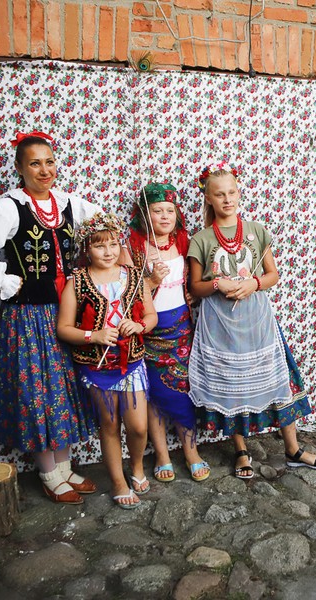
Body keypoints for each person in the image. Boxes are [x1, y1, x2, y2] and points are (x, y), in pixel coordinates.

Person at [0, 131, 101, 505]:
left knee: (63, 388)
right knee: (39, 391)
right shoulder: (9, 207)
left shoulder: (69, 205)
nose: (44, 170)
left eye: (49, 161)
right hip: (29, 317)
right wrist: (1, 279)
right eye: (34, 163)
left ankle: (64, 467)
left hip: (66, 312)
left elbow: (104, 229)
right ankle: (49, 473)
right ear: (20, 168)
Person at [186, 163, 316, 479]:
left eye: (232, 192)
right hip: (220, 324)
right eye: (219, 194)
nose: (227, 199)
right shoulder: (201, 239)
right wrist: (216, 284)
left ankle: (292, 448)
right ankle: (241, 450)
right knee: (231, 384)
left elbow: (273, 274)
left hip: (258, 320)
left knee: (278, 380)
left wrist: (254, 283)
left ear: (239, 193)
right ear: (208, 198)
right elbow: (195, 287)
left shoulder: (257, 230)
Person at [57, 213, 158, 508]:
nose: (109, 252)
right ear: (87, 249)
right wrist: (94, 336)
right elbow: (64, 329)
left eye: (114, 244)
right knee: (110, 425)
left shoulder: (134, 277)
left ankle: (137, 466)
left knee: (138, 427)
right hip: (97, 367)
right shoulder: (77, 283)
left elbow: (150, 316)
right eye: (100, 246)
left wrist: (139, 326)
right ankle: (118, 481)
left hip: (132, 363)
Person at [129, 182, 210, 483]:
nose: (164, 217)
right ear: (144, 215)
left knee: (182, 388)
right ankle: (162, 454)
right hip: (149, 330)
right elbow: (126, 297)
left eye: (169, 211)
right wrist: (151, 280)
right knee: (154, 394)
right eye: (156, 211)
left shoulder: (185, 241)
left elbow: (196, 283)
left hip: (181, 328)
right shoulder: (134, 247)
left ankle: (191, 450)